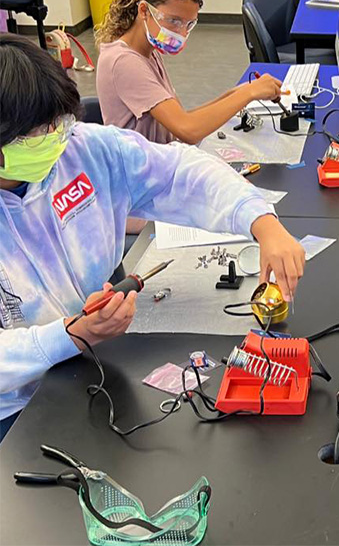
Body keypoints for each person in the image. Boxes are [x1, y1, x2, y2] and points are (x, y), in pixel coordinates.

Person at [0, 34, 305, 441]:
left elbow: (180, 172)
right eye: (39, 132)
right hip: (18, 406)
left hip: (97, 362)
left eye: (59, 123)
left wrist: (261, 222)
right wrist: (67, 336)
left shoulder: (84, 150)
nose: (57, 138)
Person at [95, 0, 283, 145]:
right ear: (144, 10)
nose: (182, 33)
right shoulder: (124, 62)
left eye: (189, 24)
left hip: (160, 159)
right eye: (174, 21)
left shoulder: (148, 52)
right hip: (143, 174)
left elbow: (183, 119)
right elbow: (188, 130)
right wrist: (249, 93)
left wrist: (238, 93)